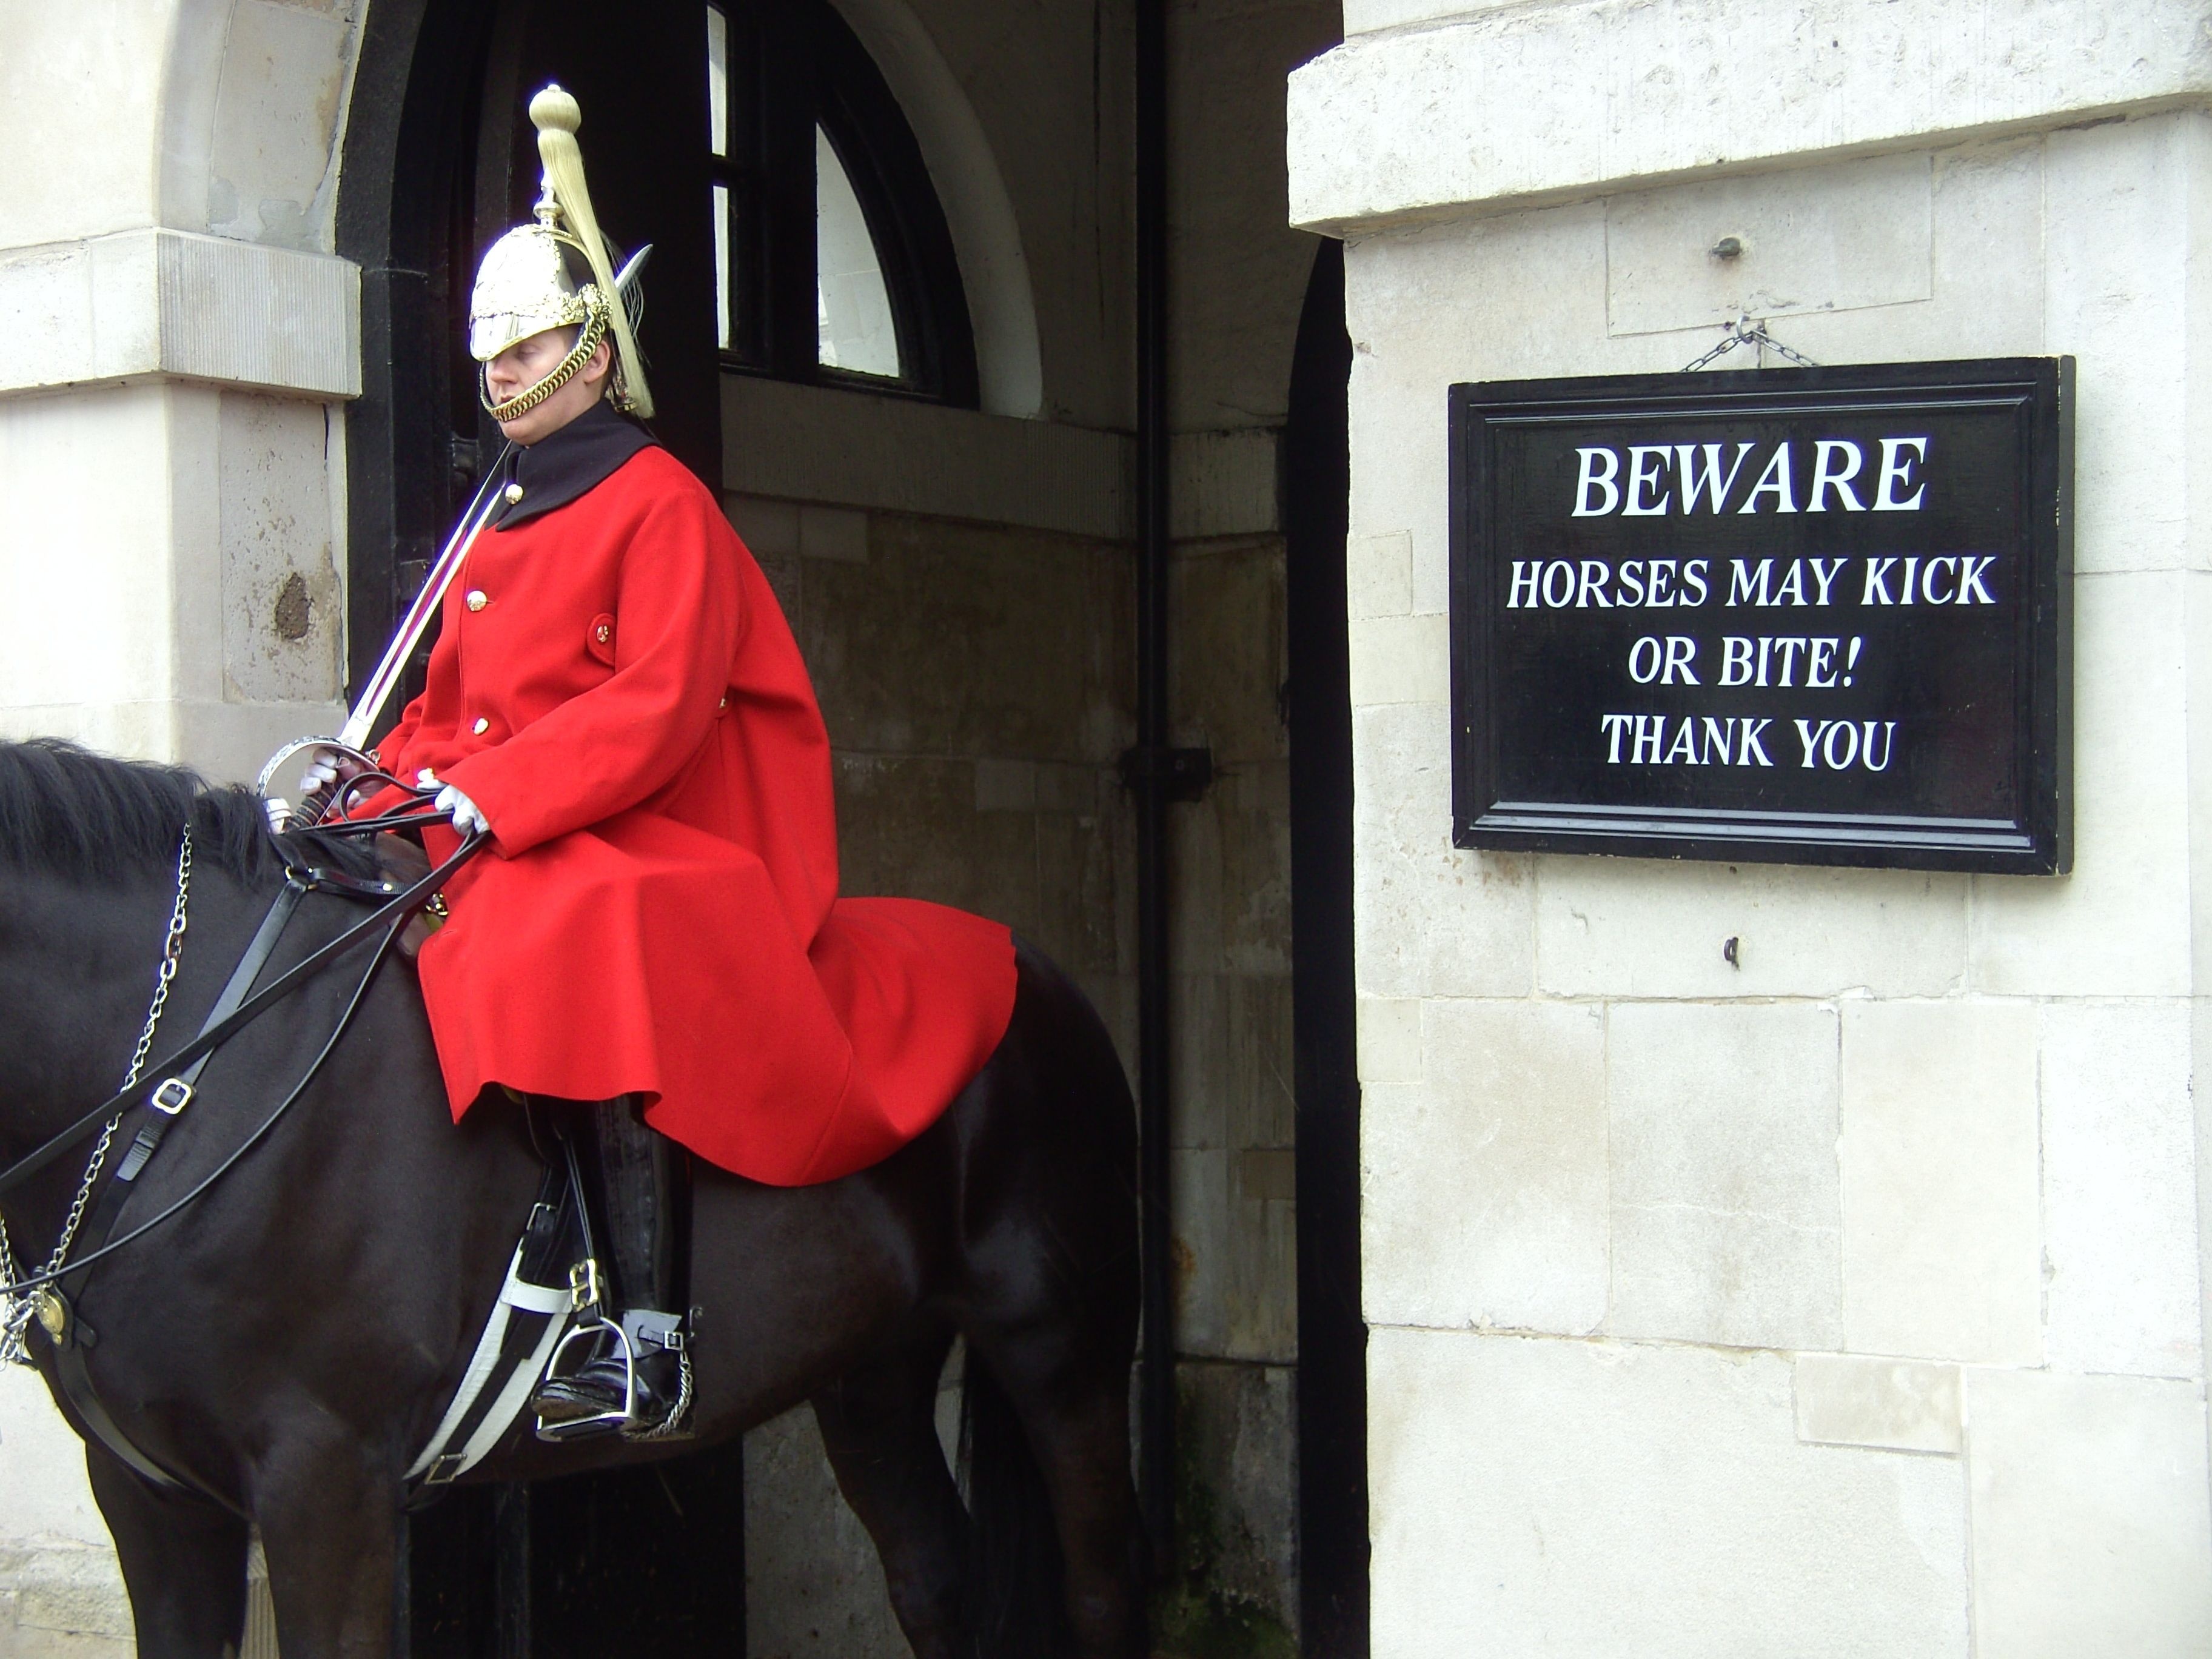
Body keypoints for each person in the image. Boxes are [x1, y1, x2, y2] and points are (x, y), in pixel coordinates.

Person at [306, 86, 1017, 1437]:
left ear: (589, 354)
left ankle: (644, 1326)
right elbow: (447, 708)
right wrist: (384, 779)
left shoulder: (658, 501)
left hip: (655, 822)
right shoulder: (498, 523)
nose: (502, 380)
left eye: (525, 355)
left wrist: (487, 799)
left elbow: (659, 710)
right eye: (491, 361)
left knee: (577, 919)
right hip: (507, 815)